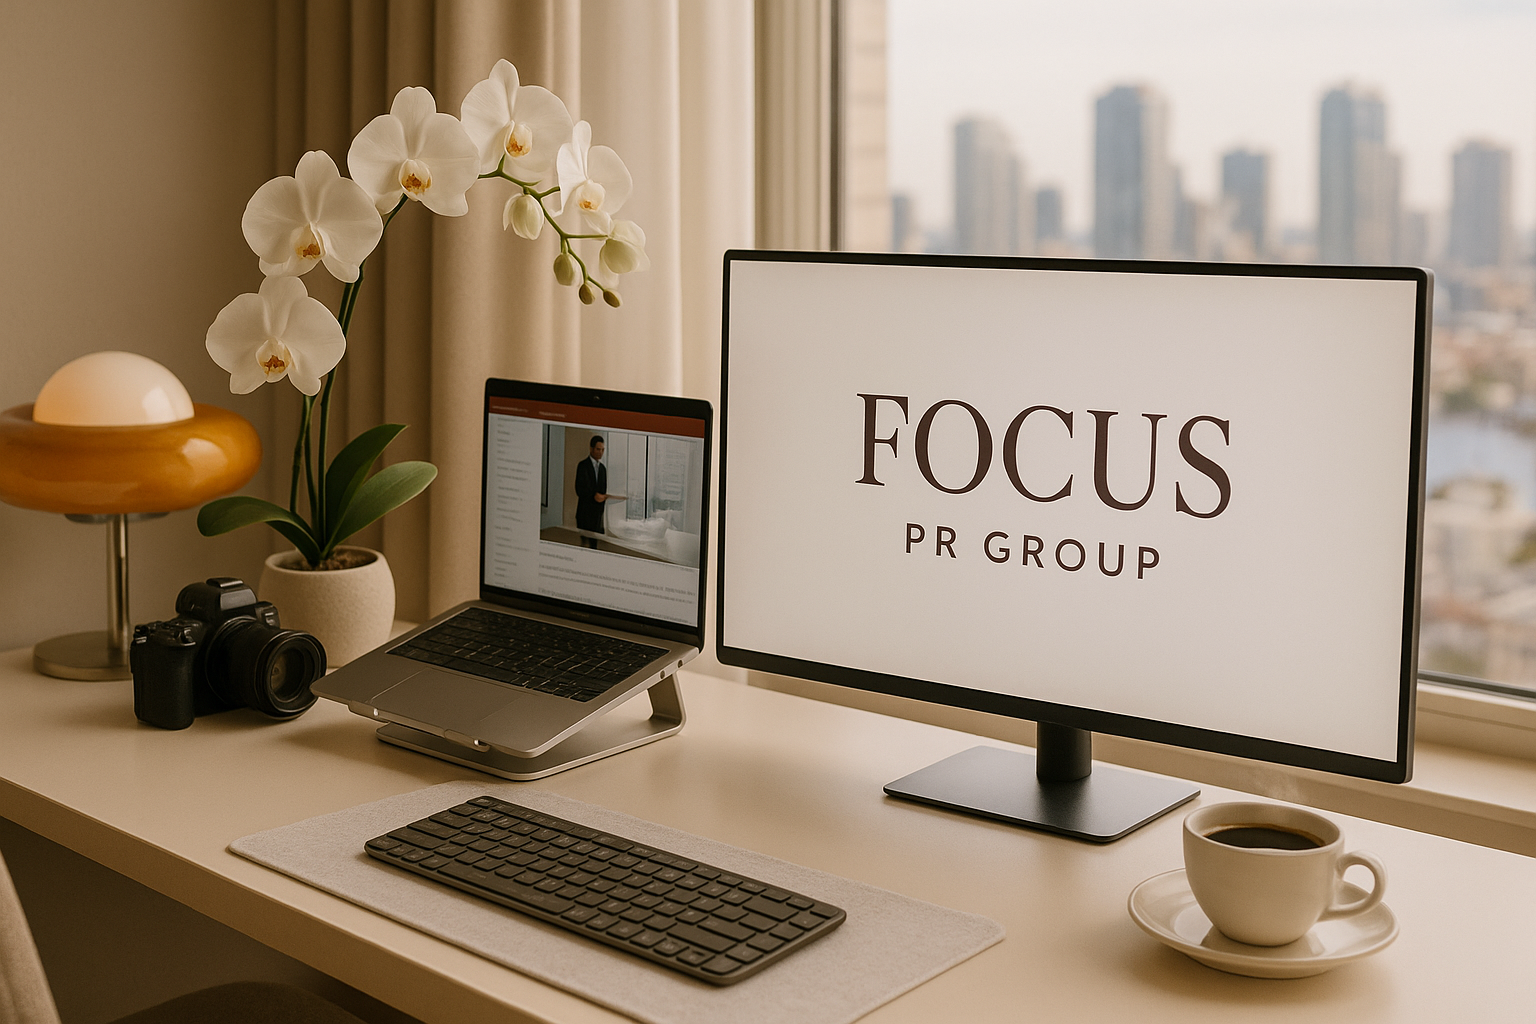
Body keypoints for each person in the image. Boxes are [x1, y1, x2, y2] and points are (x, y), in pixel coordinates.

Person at [574, 435, 607, 547]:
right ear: (591, 449)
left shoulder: (603, 469)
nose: (600, 452)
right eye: (598, 449)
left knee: (594, 547)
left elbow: (603, 491)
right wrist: (594, 496)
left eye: (602, 449)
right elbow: (579, 489)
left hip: (597, 516)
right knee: (584, 546)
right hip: (584, 514)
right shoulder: (583, 466)